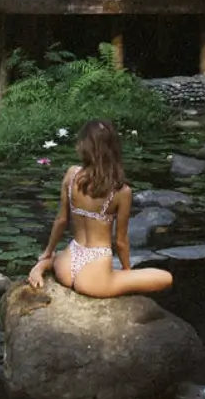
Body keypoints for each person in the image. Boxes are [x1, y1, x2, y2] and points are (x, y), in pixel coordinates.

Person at [27, 119, 175, 297]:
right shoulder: (121, 191)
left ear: (84, 146)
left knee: (57, 257)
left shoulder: (72, 175)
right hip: (94, 275)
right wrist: (127, 271)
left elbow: (61, 220)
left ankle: (41, 266)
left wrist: (47, 252)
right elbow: (120, 241)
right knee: (166, 277)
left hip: (68, 264)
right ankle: (118, 277)